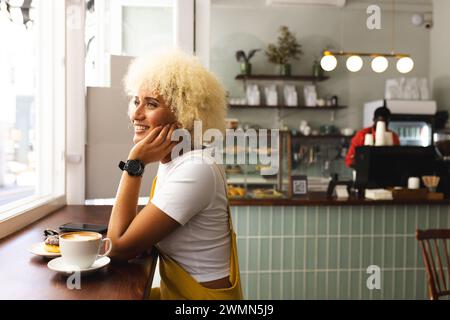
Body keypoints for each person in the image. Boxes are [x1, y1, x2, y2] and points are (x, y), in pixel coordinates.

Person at [106, 49, 243, 300]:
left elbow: (117, 247)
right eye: (136, 101)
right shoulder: (175, 161)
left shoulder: (196, 170)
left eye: (151, 104)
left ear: (184, 114)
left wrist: (134, 163)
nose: (136, 114)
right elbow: (130, 239)